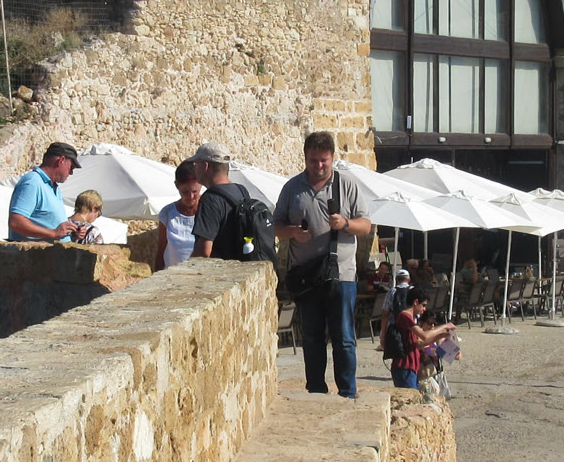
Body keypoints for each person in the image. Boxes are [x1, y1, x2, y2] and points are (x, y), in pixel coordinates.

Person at [273, 131, 373, 399]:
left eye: (324, 160)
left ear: (332, 158)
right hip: (306, 276)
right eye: (313, 160)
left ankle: (347, 392)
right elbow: (276, 226)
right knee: (312, 337)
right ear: (305, 158)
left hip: (341, 275)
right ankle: (316, 390)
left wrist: (346, 224)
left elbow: (366, 225)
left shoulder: (347, 185)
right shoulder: (292, 188)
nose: (318, 166)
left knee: (344, 337)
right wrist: (293, 233)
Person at [188, 142, 254, 258]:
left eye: (196, 164)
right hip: (242, 263)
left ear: (205, 166)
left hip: (222, 267)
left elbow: (204, 251)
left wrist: (188, 266)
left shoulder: (210, 199)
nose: (195, 169)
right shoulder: (241, 191)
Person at [385, 286, 456, 391]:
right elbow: (424, 335)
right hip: (404, 366)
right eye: (423, 305)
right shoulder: (404, 316)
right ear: (416, 302)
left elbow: (419, 343)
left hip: (411, 367)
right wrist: (444, 326)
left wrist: (441, 336)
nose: (424, 309)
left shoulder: (410, 318)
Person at [8, 142, 81, 242]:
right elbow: (16, 222)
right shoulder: (32, 182)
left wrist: (71, 233)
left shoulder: (53, 187)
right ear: (61, 160)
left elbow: (50, 223)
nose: (71, 173)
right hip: (34, 252)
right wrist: (53, 233)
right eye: (71, 167)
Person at [156, 160, 203, 268]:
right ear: (177, 186)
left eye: (194, 192)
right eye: (185, 192)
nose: (190, 197)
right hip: (172, 276)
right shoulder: (167, 214)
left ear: (201, 185)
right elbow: (161, 250)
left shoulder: (209, 210)